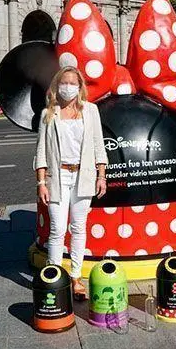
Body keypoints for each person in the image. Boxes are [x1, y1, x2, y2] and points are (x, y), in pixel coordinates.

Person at [34, 67, 108, 300]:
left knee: (78, 227)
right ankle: (54, 275)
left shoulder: (91, 111)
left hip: (83, 177)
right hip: (58, 177)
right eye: (64, 83)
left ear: (80, 86)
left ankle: (76, 277)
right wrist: (41, 183)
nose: (68, 87)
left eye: (72, 83)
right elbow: (41, 151)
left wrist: (101, 175)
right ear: (57, 86)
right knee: (57, 228)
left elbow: (98, 145)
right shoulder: (49, 114)